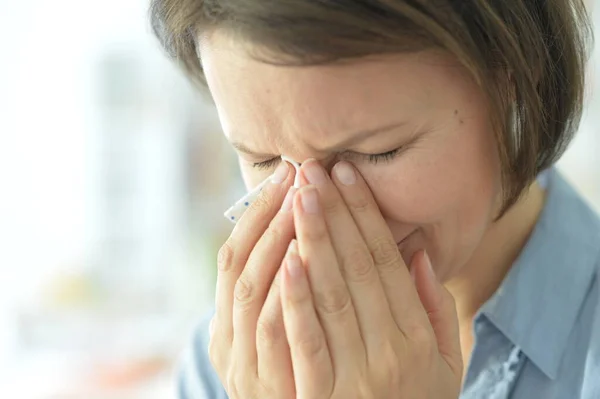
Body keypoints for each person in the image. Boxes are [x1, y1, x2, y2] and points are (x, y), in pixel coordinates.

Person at [151, 0, 599, 398]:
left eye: (375, 153)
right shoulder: (237, 362)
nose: (314, 215)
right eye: (265, 160)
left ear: (513, 82)